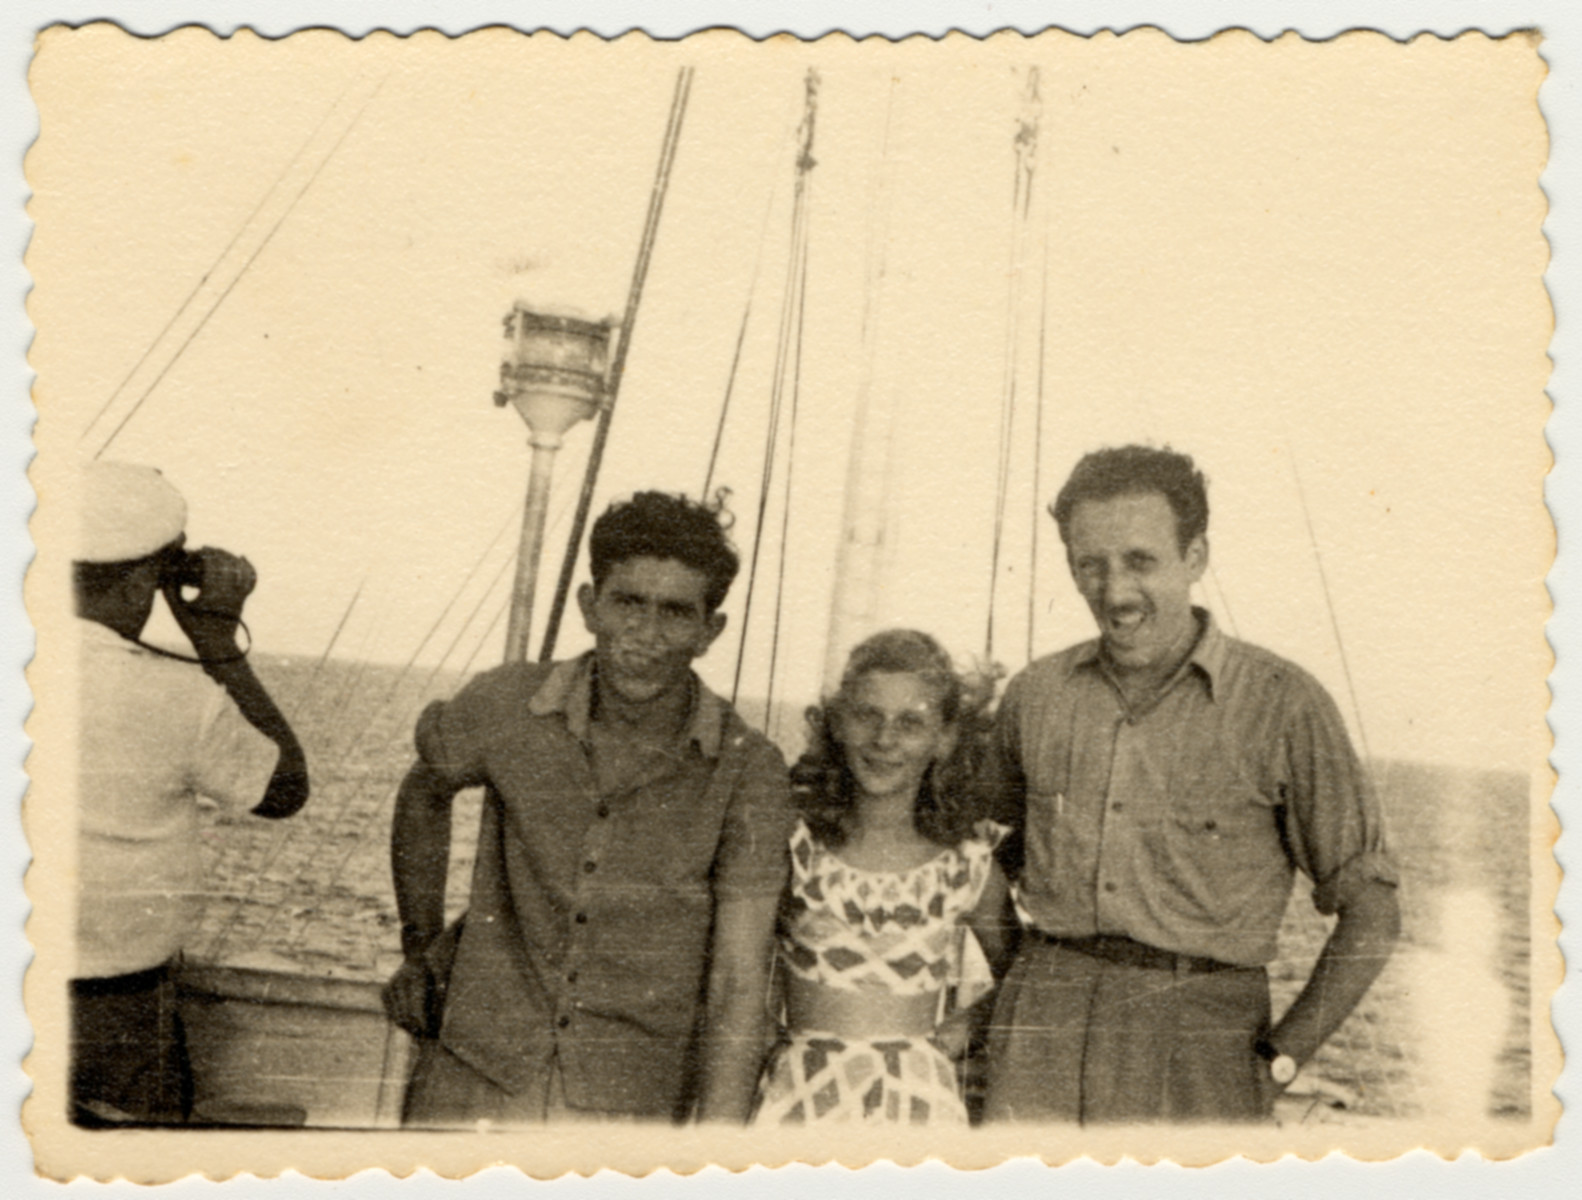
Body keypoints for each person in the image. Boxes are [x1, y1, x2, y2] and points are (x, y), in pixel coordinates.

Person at [982, 445, 1401, 1124]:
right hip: (1038, 1033)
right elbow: (977, 858)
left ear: (1196, 557)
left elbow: (1374, 916)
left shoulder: (1282, 704)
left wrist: (1280, 1060)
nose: (1114, 591)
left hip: (1201, 1043)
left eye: (1140, 561)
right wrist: (1015, 993)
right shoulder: (1035, 696)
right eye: (1090, 564)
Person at [385, 491, 794, 1125]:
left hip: (630, 1107)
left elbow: (739, 986)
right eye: (628, 602)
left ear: (710, 631)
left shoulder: (749, 769)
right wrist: (420, 949)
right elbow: (424, 791)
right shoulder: (505, 703)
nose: (646, 634)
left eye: (675, 612)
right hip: (472, 1078)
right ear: (589, 605)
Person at [72, 461, 308, 1126]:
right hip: (118, 1011)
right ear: (152, 575)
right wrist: (214, 637)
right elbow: (283, 788)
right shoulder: (177, 697)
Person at [752, 630, 1013, 1127]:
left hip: (918, 1102)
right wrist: (765, 1034)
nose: (885, 740)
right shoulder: (795, 845)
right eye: (867, 715)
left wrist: (961, 1030)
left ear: (945, 737)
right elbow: (736, 964)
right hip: (802, 1096)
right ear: (837, 721)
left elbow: (1022, 976)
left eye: (911, 723)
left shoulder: (965, 861)